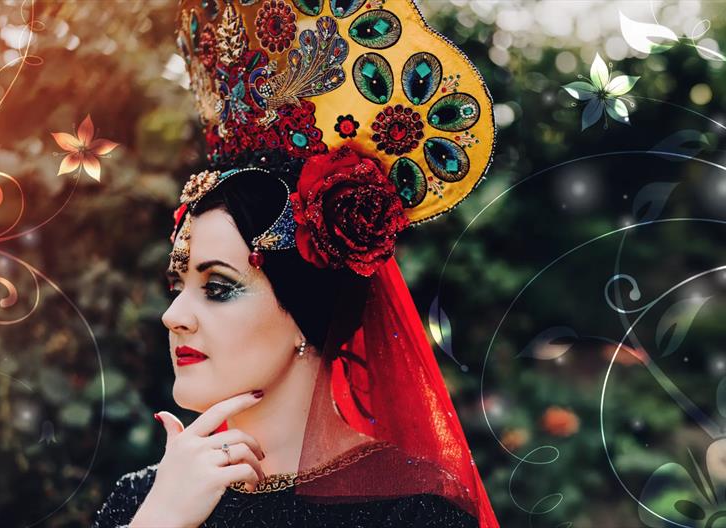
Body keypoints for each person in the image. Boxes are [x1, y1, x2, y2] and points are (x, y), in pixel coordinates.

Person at [95, 1, 499, 526]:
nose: (173, 316)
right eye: (178, 285)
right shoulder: (145, 500)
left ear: (304, 312)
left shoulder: (413, 513)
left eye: (217, 287)